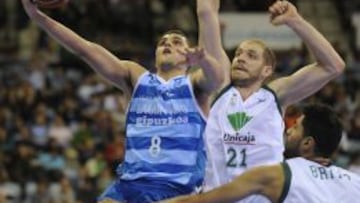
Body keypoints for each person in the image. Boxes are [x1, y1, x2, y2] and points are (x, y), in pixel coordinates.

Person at [21, 0, 225, 203]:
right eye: (163, 42)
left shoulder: (194, 85)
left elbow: (217, 78)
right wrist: (39, 18)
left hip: (176, 189)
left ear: (188, 57)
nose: (167, 43)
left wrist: (205, 60)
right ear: (155, 57)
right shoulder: (137, 77)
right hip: (129, 185)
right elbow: (85, 49)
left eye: (177, 42)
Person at [196, 0, 345, 199]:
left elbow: (333, 66)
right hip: (214, 197)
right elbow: (206, 11)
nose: (240, 58)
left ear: (267, 70)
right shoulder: (219, 87)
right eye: (238, 53)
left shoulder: (275, 95)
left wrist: (295, 21)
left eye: (251, 55)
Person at [159, 103, 360, 203]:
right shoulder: (354, 182)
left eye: (295, 127)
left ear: (307, 143)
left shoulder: (278, 175)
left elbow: (205, 201)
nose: (288, 131)